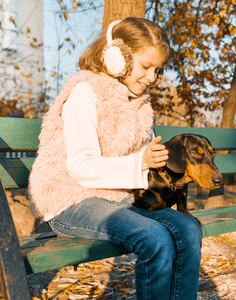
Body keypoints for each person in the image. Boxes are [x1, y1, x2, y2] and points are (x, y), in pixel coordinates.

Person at [29, 17, 202, 300]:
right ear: (116, 57)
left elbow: (139, 164)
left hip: (115, 197)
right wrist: (140, 162)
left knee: (188, 228)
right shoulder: (85, 94)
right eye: (146, 66)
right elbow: (81, 168)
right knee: (155, 238)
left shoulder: (140, 105)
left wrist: (157, 162)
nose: (151, 77)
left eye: (157, 71)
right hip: (69, 200)